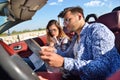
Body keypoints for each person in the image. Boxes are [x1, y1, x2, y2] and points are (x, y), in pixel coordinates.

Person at [39, 6, 120, 80]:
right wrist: (52, 51)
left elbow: (102, 68)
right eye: (64, 21)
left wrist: (64, 62)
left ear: (79, 16)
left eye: (68, 19)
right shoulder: (75, 37)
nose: (65, 24)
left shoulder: (98, 30)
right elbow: (68, 55)